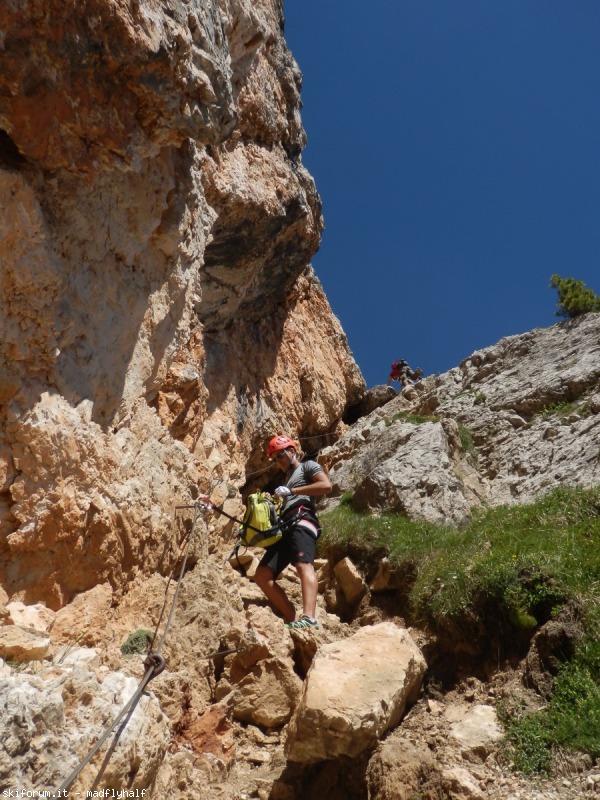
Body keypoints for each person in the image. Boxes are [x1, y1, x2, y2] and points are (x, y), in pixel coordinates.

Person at [253, 435, 332, 630]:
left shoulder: (308, 466)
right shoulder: (287, 480)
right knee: (262, 574)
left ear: (292, 451)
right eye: (275, 459)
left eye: (280, 455)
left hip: (302, 521)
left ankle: (309, 618)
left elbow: (325, 485)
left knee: (304, 565)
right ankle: (292, 617)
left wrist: (293, 492)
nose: (279, 462)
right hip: (286, 526)